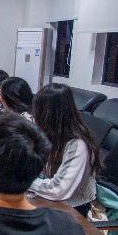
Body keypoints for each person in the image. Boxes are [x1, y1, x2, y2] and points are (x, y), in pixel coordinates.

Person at [29, 83, 103, 214]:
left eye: (37, 113)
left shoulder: (77, 145)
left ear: (48, 115)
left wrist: (22, 182)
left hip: (73, 211)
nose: (34, 117)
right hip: (52, 204)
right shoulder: (53, 137)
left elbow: (58, 189)